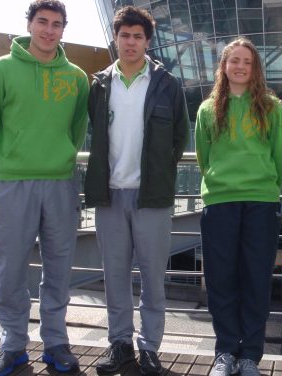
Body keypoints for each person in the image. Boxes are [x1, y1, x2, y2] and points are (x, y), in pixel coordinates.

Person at [0, 1, 89, 375]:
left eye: (57, 24)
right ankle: (13, 345)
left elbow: (77, 129)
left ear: (63, 29)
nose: (49, 30)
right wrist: (5, 161)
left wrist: (62, 156)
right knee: (10, 270)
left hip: (61, 183)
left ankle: (55, 342)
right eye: (43, 22)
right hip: (13, 183)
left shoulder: (77, 77)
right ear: (29, 25)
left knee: (58, 269)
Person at [84, 6, 189, 376]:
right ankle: (120, 346)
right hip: (110, 195)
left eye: (138, 36)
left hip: (152, 198)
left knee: (152, 278)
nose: (131, 42)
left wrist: (157, 173)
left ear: (148, 40)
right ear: (116, 38)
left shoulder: (166, 84)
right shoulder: (99, 85)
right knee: (114, 276)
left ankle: (150, 349)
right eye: (125, 35)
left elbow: (180, 138)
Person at [195, 37, 282, 376]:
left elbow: (281, 157)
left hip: (261, 203)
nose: (239, 66)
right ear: (223, 66)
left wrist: (265, 187)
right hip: (220, 202)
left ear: (255, 68)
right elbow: (204, 158)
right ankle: (225, 352)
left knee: (255, 280)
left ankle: (250, 354)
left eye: (246, 61)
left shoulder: (271, 106)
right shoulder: (208, 109)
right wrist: (222, 183)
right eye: (233, 60)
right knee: (221, 280)